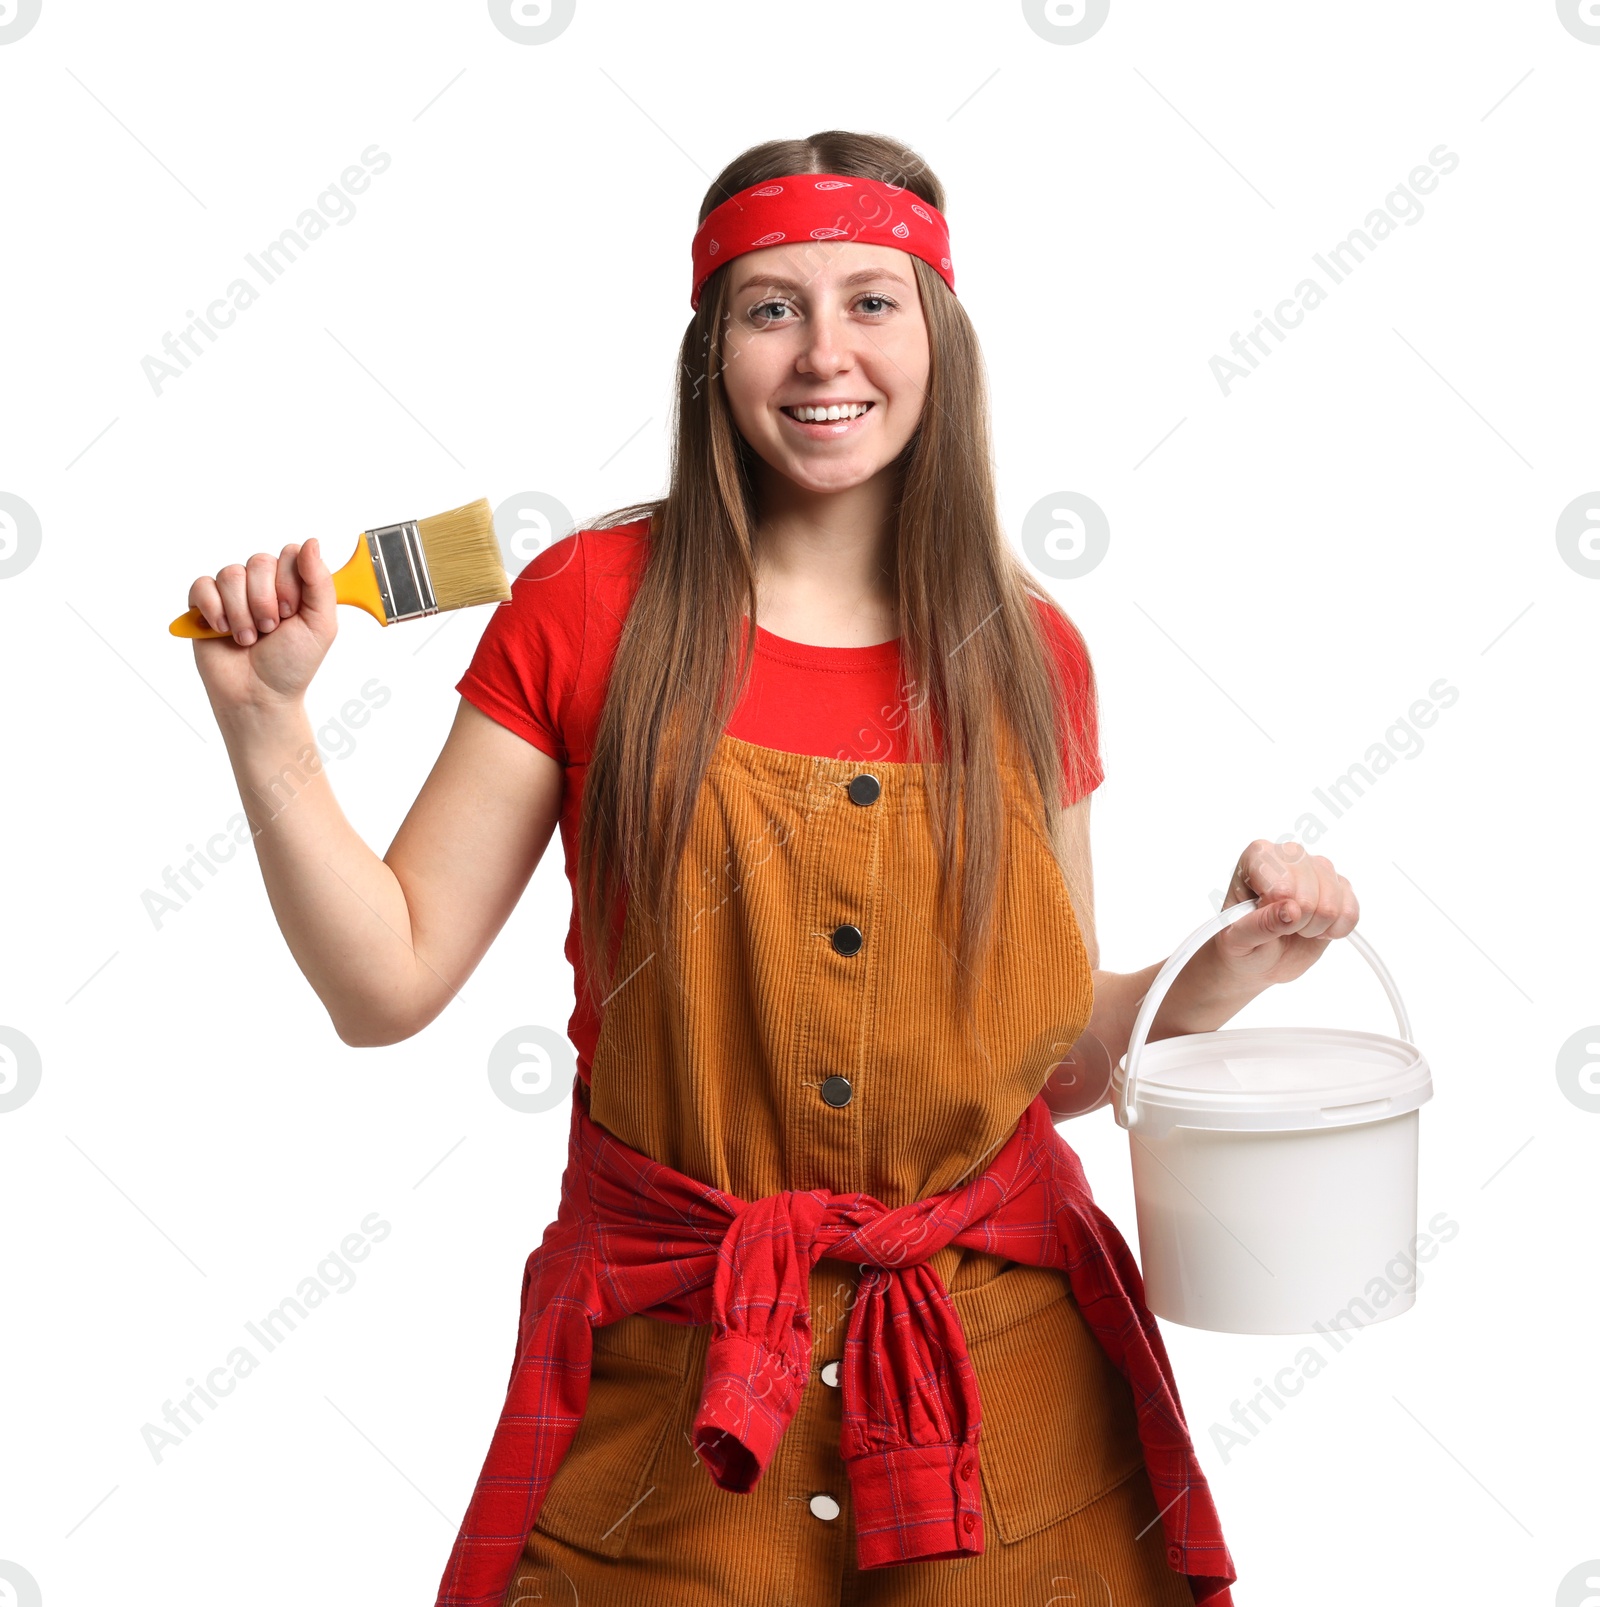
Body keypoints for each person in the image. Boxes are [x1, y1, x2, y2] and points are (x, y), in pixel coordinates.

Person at [187, 130, 1359, 1607]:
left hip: (1003, 1406)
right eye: (771, 309)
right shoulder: (586, 611)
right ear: (712, 353)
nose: (825, 355)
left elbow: (1048, 1054)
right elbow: (385, 980)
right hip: (680, 1405)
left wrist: (1231, 962)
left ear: (939, 336)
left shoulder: (1027, 655)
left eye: (874, 300)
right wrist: (268, 725)